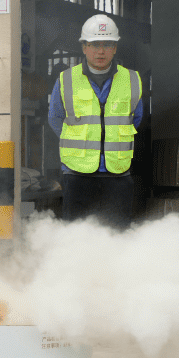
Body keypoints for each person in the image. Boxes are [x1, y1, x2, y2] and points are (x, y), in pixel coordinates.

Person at [48, 14, 144, 230]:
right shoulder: (65, 80)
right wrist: (80, 143)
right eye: (94, 44)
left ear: (115, 48)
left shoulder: (132, 80)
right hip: (77, 173)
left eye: (107, 44)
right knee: (77, 234)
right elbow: (55, 118)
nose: (101, 51)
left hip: (117, 173)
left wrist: (111, 141)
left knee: (117, 234)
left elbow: (135, 118)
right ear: (84, 47)